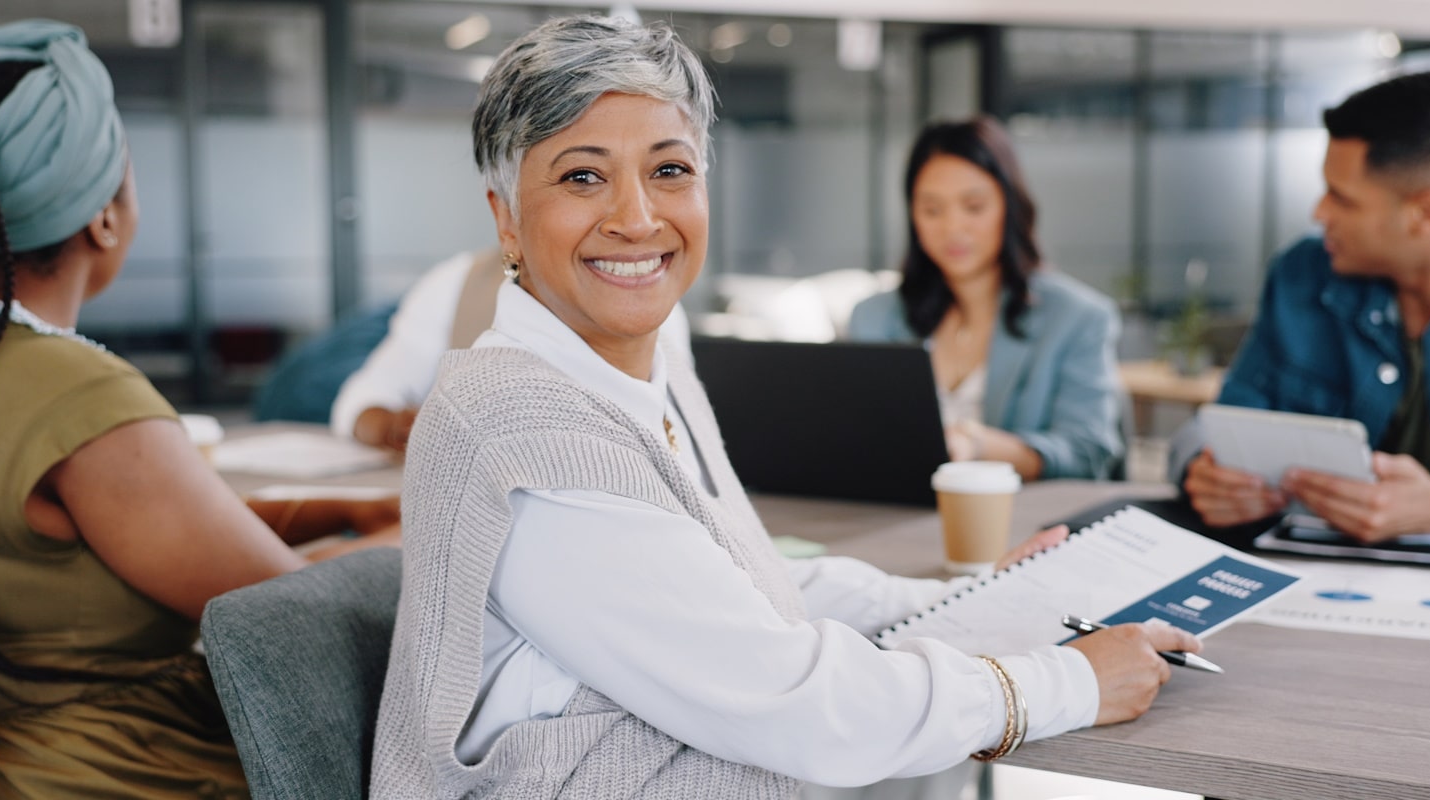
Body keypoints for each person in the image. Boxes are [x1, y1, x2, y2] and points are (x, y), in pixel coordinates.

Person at [370, 16, 1198, 798]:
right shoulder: (525, 428)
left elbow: (743, 585)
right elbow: (795, 702)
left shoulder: (649, 359)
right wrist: (1067, 683)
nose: (637, 217)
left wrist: (965, 607)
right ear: (506, 222)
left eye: (670, 169)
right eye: (582, 176)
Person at [0, 21, 399, 797]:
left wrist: (340, 508)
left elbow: (133, 529)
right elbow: (291, 617)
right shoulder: (75, 394)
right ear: (104, 215)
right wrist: (414, 535)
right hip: (134, 774)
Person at [1173, 71, 1430, 543]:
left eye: (1342, 199)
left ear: (1426, 214)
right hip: (1314, 576)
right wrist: (1205, 470)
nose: (1320, 213)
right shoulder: (1302, 274)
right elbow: (1225, 422)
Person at [848, 117, 1124, 481]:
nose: (952, 228)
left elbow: (1088, 451)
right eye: (932, 209)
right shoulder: (875, 316)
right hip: (892, 519)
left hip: (1018, 522)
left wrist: (977, 445)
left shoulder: (1078, 318)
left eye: (974, 207)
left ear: (1009, 206)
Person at [330, 248, 694, 453]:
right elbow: (360, 398)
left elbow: (683, 444)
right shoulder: (455, 284)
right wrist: (393, 426)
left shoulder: (651, 304)